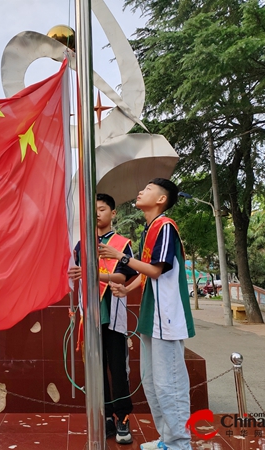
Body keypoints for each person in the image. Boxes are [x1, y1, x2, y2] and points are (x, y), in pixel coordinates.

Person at [98, 178, 195, 450]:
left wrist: (121, 256)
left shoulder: (165, 226)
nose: (141, 191)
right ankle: (167, 439)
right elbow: (145, 274)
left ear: (161, 200)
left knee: (170, 383)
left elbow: (155, 270)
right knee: (152, 383)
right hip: (152, 317)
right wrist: (126, 288)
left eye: (148, 189)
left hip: (167, 317)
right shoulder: (149, 228)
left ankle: (179, 443)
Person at [67, 193, 136, 445]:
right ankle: (106, 416)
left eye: (103, 209)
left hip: (113, 314)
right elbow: (76, 273)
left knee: (118, 368)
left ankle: (123, 417)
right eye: (93, 209)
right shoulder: (81, 244)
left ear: (113, 213)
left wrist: (95, 274)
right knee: (96, 368)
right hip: (91, 316)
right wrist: (77, 273)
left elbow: (124, 277)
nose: (97, 213)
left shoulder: (121, 243)